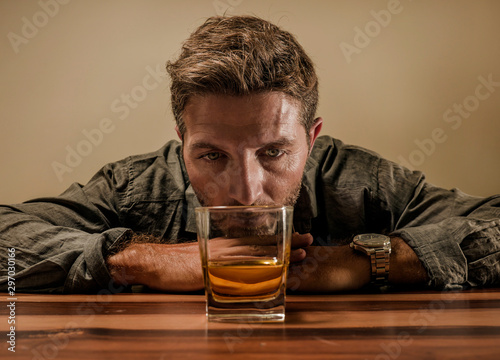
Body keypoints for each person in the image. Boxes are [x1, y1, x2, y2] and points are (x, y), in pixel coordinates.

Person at [1, 16, 499, 294]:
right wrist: (140, 260)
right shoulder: (135, 186)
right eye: (212, 155)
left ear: (311, 139)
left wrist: (364, 262)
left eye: (274, 152)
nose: (245, 191)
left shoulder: (362, 181)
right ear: (182, 139)